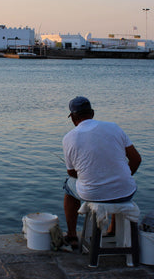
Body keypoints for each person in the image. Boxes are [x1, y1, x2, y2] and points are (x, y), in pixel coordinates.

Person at [62, 96, 141, 249]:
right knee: (116, 185)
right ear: (92, 113)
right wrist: (123, 176)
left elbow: (71, 173)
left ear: (72, 118)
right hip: (127, 191)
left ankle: (71, 235)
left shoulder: (69, 138)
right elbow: (136, 159)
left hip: (92, 194)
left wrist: (89, 176)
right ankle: (112, 229)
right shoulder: (114, 127)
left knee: (68, 187)